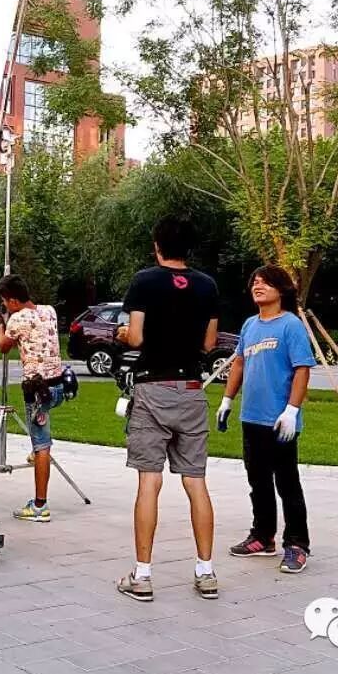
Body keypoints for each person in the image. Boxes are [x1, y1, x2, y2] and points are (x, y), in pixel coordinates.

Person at [113, 217, 221, 603]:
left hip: (152, 388)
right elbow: (209, 343)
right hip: (191, 389)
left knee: (150, 481)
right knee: (195, 481)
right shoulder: (207, 285)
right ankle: (206, 571)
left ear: (157, 245)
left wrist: (123, 334)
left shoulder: (144, 281)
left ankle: (142, 576)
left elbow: (135, 337)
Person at [218, 264, 315, 574]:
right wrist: (227, 400)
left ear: (281, 289)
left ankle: (297, 544)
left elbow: (302, 369)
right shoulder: (250, 325)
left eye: (265, 282)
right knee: (257, 481)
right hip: (252, 418)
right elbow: (239, 363)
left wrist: (292, 410)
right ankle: (263, 536)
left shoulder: (291, 325)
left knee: (287, 483)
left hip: (279, 421)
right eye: (254, 282)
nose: (257, 286)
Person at [0, 274, 65, 523]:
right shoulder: (49, 310)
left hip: (37, 390)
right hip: (57, 386)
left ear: (13, 301)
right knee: (40, 438)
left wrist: (0, 326)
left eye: (5, 302)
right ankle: (37, 456)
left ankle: (39, 506)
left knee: (42, 444)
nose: (5, 306)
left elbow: (3, 346)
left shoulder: (17, 319)